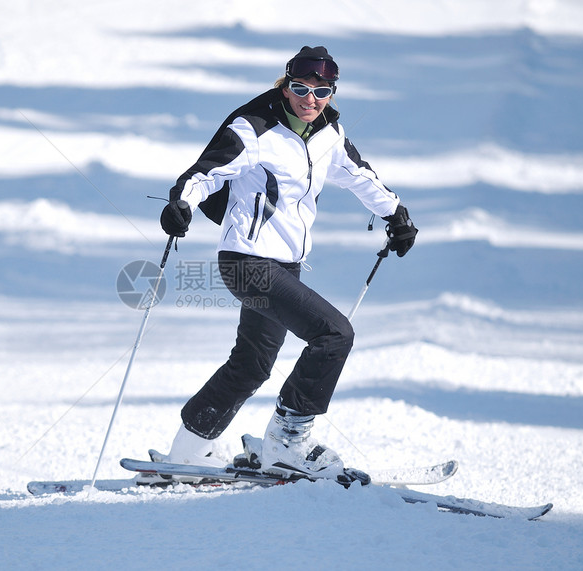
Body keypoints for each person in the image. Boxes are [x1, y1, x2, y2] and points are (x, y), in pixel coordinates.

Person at [158, 46, 417, 481]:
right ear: (286, 84)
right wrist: (180, 204)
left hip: (286, 266)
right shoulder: (254, 128)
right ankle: (288, 442)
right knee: (334, 335)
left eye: (321, 91)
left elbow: (359, 175)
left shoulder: (328, 134)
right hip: (247, 261)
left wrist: (395, 213)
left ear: (332, 93)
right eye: (300, 88)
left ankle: (186, 454)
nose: (309, 99)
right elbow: (206, 172)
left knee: (252, 364)